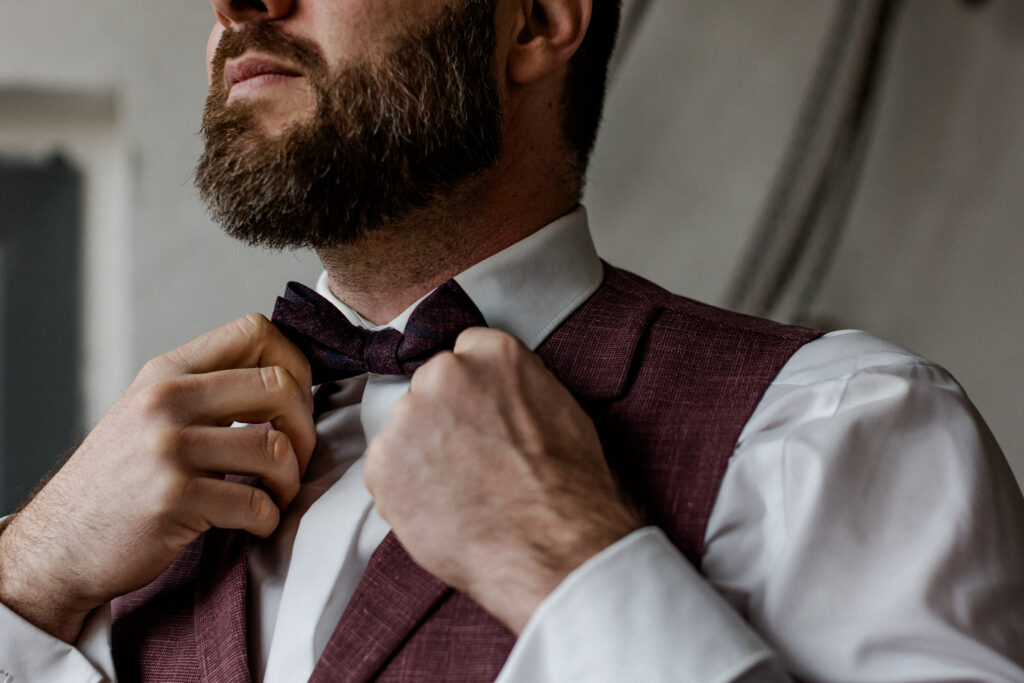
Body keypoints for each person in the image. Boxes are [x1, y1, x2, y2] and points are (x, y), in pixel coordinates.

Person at [1, 0, 1022, 680]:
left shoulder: (842, 429)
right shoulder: (127, 503)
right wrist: (30, 571)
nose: (238, 3)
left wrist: (571, 559)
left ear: (533, 19)